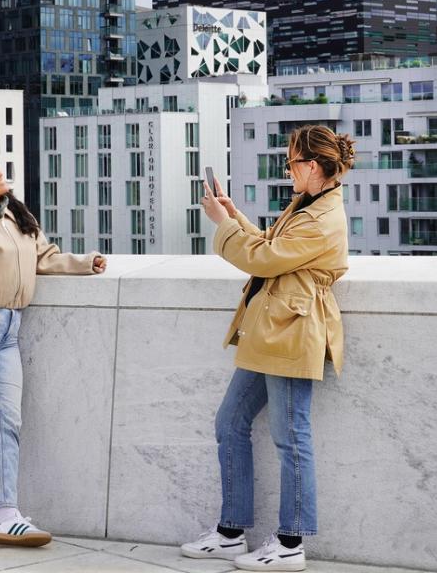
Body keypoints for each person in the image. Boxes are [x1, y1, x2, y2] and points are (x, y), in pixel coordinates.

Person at [181, 125, 355, 572]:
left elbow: (264, 259)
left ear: (312, 166)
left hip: (293, 330)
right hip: (272, 328)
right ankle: (231, 532)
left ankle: (291, 543)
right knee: (231, 422)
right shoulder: (308, 203)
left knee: (290, 436)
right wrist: (235, 216)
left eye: (292, 161)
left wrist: (222, 226)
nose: (287, 169)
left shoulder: (323, 217)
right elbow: (271, 246)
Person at [0, 152, 107, 546]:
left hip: (11, 329)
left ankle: (5, 514)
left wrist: (84, 263)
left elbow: (43, 258)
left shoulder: (16, 217)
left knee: (8, 422)